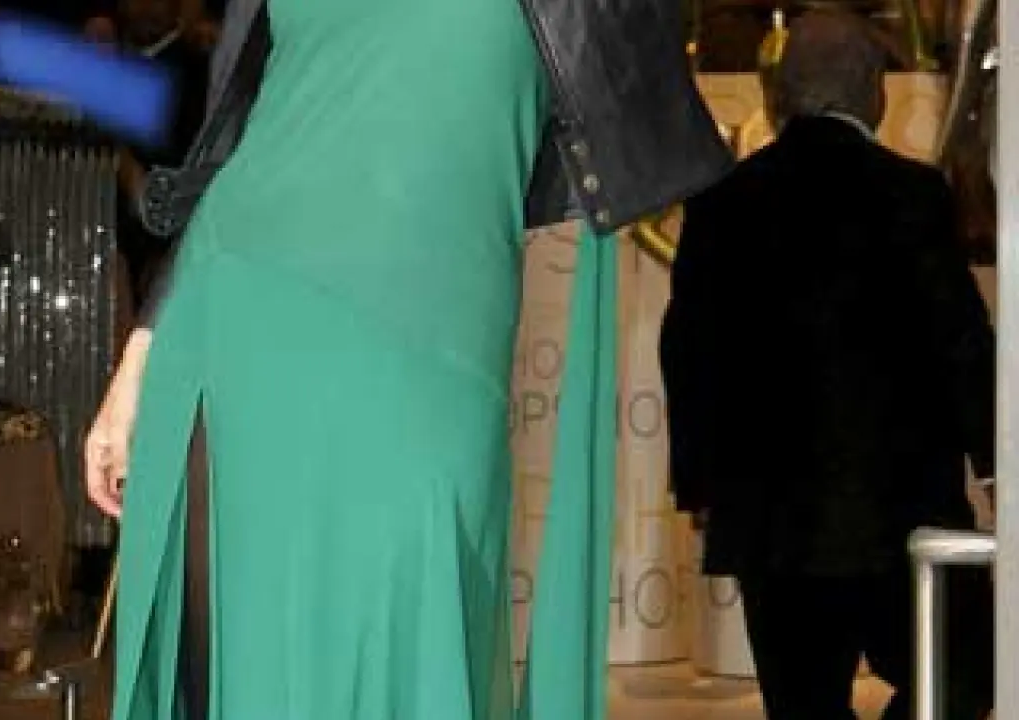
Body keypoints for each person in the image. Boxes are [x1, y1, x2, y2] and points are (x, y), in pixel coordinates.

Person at [84, 0, 732, 718]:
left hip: (433, 341)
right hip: (238, 302)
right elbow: (230, 141)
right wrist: (142, 349)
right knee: (240, 667)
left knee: (420, 635)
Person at [661, 11, 995, 720]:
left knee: (803, 706)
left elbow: (687, 349)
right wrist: (995, 462)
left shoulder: (723, 203)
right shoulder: (914, 194)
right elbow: (961, 342)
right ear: (875, 90)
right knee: (959, 679)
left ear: (777, 96)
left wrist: (699, 482)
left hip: (773, 522)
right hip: (903, 512)